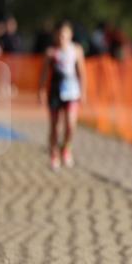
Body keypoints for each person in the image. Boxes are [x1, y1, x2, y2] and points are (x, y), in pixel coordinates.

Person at [38, 21, 86, 171]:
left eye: (64, 35)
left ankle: (66, 148)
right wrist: (41, 91)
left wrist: (83, 91)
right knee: (55, 126)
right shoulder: (51, 52)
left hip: (72, 92)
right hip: (55, 91)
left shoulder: (76, 50)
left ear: (70, 35)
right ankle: (54, 154)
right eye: (59, 35)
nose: (61, 38)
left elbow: (82, 72)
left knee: (70, 124)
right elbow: (44, 74)